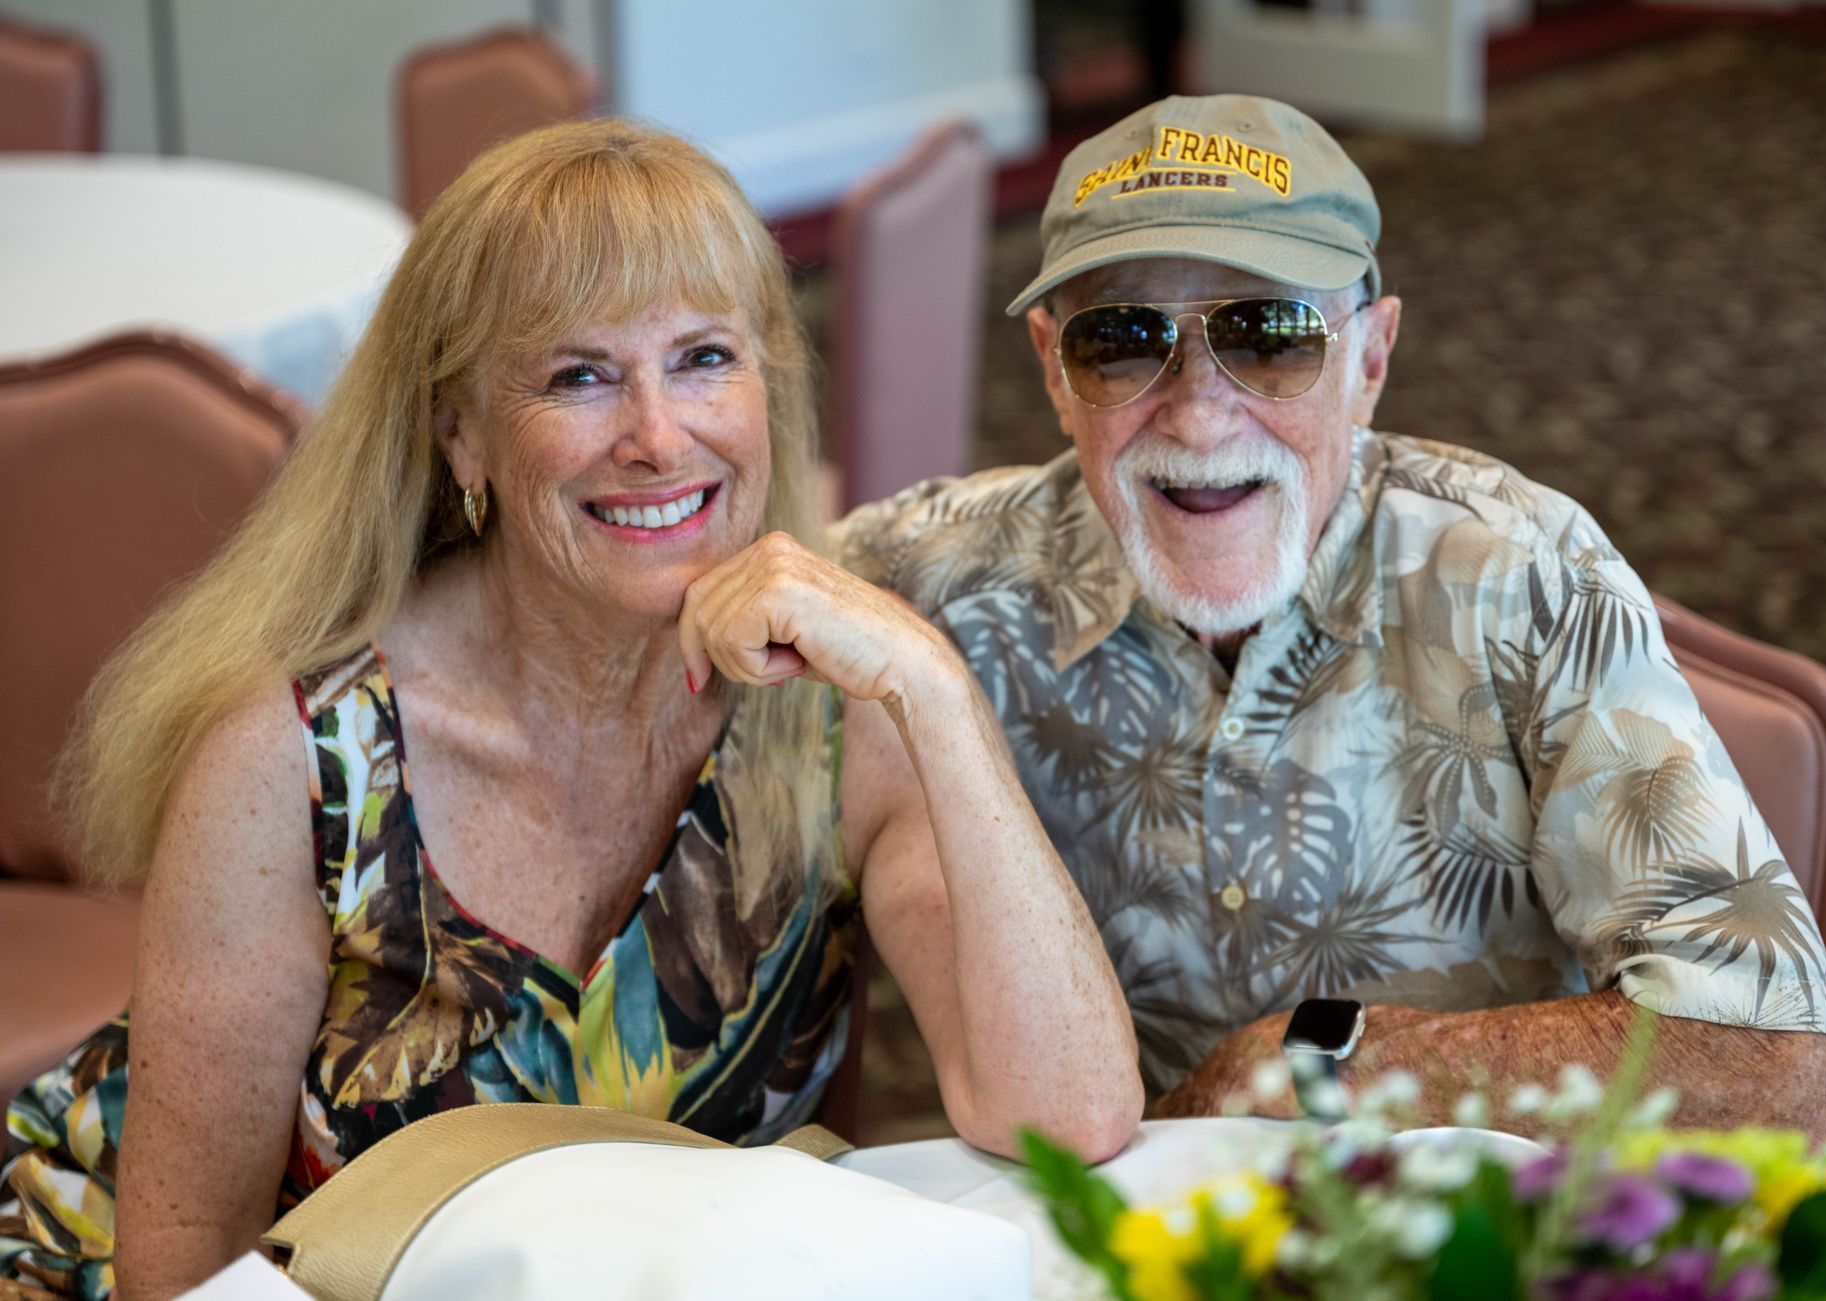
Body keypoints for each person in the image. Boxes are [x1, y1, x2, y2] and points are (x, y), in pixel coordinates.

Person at [0, 119, 1141, 1301]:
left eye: (704, 358)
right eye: (580, 375)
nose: (658, 437)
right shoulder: (297, 761)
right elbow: (184, 1277)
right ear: (462, 435)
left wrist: (936, 691)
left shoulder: (841, 708)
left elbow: (1070, 1116)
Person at [832, 95, 1826, 1136]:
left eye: (1270, 336)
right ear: (1054, 367)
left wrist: (1319, 1065)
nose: (1196, 410)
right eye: (1124, 341)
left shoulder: (1524, 575)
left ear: (1370, 358)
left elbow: (1773, 1069)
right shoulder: (926, 585)